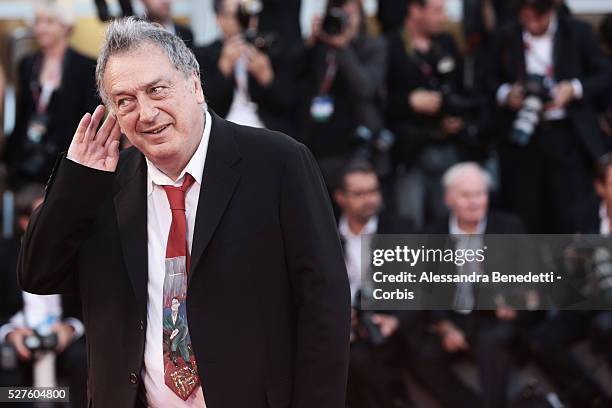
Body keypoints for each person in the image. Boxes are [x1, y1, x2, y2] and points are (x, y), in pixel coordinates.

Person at [17, 17, 350, 408]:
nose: (146, 113)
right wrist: (75, 182)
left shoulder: (280, 162)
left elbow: (325, 307)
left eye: (157, 90)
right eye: (125, 101)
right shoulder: (101, 185)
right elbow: (38, 274)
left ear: (195, 84)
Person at [489, 0, 611, 233]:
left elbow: (604, 74)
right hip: (522, 139)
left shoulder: (577, 32)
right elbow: (486, 80)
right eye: (526, 18)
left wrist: (573, 89)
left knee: (569, 213)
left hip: (567, 136)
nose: (532, 24)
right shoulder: (506, 36)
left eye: (538, 18)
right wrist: (506, 94)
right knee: (526, 213)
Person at [419, 162, 526, 408]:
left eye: (480, 194)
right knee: (424, 355)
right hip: (455, 318)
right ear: (448, 199)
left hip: (495, 318)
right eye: (466, 195)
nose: (475, 202)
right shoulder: (433, 235)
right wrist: (444, 326)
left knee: (492, 343)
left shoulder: (509, 227)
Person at [386, 0, 482, 231]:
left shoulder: (447, 43)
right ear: (415, 10)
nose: (443, 17)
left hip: (447, 146)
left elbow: (462, 93)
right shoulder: (392, 45)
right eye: (436, 10)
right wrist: (409, 103)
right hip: (410, 153)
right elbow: (378, 102)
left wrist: (458, 118)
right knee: (410, 224)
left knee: (449, 222)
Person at [333, 159, 414, 408]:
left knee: (361, 362)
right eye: (359, 193)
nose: (369, 199)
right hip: (342, 327)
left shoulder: (401, 230)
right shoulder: (326, 232)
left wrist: (395, 320)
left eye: (373, 191)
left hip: (390, 325)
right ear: (340, 197)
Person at [0, 184, 87, 407]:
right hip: (18, 335)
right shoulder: (5, 255)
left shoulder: (75, 252)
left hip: (65, 338)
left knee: (85, 358)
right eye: (42, 216)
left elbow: (89, 305)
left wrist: (70, 328)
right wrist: (10, 333)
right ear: (23, 221)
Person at [2, 1, 98, 189]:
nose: (41, 28)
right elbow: (23, 115)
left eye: (49, 22)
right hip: (28, 160)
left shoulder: (86, 66)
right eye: (38, 22)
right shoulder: (28, 64)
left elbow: (89, 120)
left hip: (68, 160)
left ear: (66, 26)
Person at [298, 0, 387, 187]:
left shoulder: (373, 46)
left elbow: (365, 88)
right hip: (318, 141)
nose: (345, 22)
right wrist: (310, 43)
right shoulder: (320, 46)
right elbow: (294, 80)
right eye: (339, 15)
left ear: (361, 17)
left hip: (357, 142)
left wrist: (343, 47)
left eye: (350, 15)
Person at [194, 0, 299, 135]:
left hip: (266, 131)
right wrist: (223, 70)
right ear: (219, 19)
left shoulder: (273, 49)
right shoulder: (203, 55)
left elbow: (291, 102)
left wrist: (267, 77)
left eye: (249, 14)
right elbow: (201, 106)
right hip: (222, 132)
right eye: (237, 15)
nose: (244, 20)